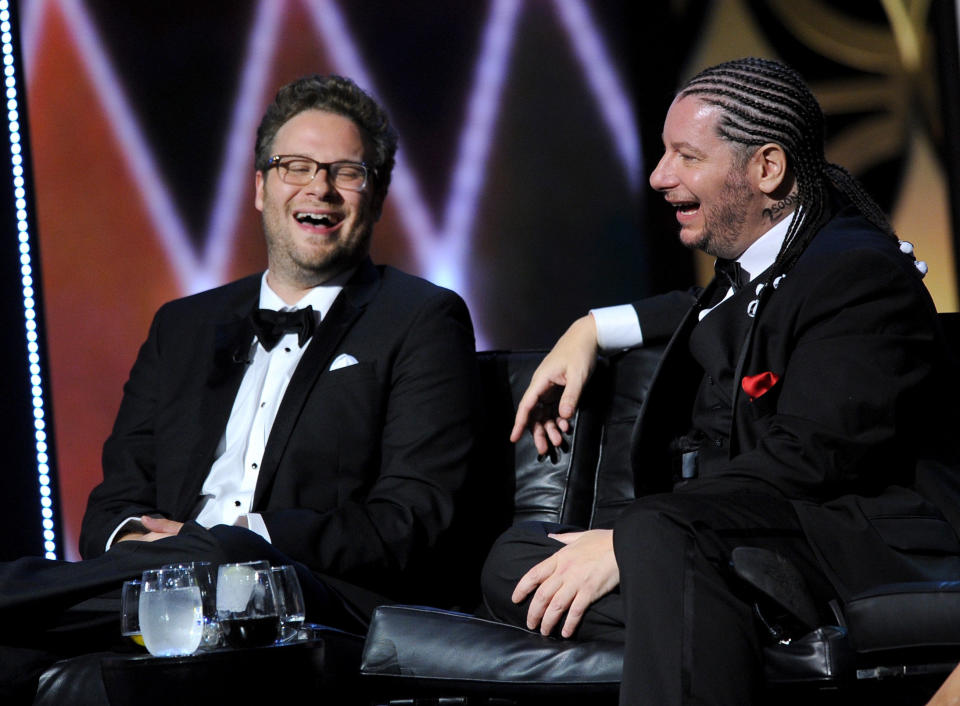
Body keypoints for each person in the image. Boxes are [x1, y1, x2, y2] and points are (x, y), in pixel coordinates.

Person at [481, 57, 960, 705]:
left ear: (766, 168)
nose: (658, 176)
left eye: (685, 155)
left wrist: (629, 541)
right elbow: (702, 309)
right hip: (719, 539)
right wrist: (593, 326)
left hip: (831, 538)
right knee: (518, 562)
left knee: (656, 537)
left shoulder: (858, 274)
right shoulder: (759, 271)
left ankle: (698, 605)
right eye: (662, 153)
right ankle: (717, 619)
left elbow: (815, 457)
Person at [0, 74, 476, 663]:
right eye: (295, 166)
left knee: (226, 559)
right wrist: (146, 548)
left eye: (346, 173)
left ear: (375, 198)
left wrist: (244, 538)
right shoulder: (181, 327)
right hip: (163, 594)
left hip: (313, 596)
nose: (319, 188)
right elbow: (111, 506)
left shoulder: (422, 319)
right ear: (260, 187)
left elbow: (412, 520)